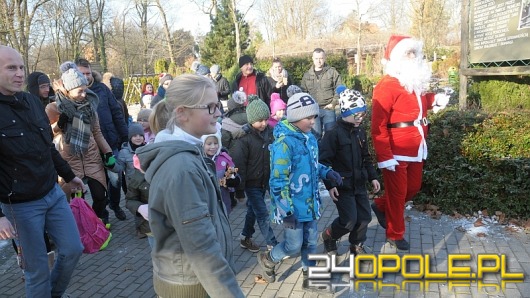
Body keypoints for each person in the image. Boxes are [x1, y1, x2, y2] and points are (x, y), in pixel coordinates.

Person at [135, 74, 244, 297]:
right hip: (192, 285)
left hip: (193, 280)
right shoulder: (182, 167)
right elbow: (201, 246)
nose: (218, 113)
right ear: (182, 113)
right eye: (210, 107)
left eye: (218, 105)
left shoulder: (189, 155)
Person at [0, 45, 84, 298]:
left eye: (21, 67)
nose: (19, 74)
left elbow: (47, 146)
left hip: (52, 193)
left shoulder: (31, 101)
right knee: (36, 271)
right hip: (19, 206)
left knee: (72, 249)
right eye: (11, 68)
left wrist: (69, 176)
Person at [370, 35, 449, 251]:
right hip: (396, 150)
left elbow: (419, 103)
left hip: (417, 147)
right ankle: (394, 234)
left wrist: (434, 100)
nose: (413, 56)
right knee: (397, 194)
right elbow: (377, 126)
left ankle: (379, 205)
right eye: (407, 53)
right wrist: (384, 157)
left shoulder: (414, 81)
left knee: (413, 188)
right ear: (396, 58)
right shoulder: (386, 85)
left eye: (414, 52)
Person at [257, 92, 342, 291]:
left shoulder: (310, 139)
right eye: (309, 118)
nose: (313, 122)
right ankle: (269, 259)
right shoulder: (284, 144)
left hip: (310, 204)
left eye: (314, 117)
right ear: (295, 117)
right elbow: (278, 180)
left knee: (311, 242)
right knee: (293, 246)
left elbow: (313, 165)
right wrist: (286, 210)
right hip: (292, 209)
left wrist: (327, 172)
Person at [46, 61, 116, 226]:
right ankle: (81, 226)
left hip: (91, 156)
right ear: (68, 90)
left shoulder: (90, 106)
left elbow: (96, 132)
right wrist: (59, 124)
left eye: (86, 90)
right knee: (75, 198)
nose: (85, 95)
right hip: (69, 159)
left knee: (100, 195)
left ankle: (97, 220)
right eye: (80, 91)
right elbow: (47, 134)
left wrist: (108, 152)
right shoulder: (54, 107)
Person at [319, 86, 381, 257]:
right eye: (357, 114)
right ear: (346, 112)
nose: (361, 118)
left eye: (363, 114)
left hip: (359, 183)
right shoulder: (333, 133)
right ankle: (329, 236)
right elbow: (324, 162)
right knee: (348, 220)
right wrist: (331, 185)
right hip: (342, 185)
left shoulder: (360, 131)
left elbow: (366, 157)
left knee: (364, 217)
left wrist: (373, 177)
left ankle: (356, 245)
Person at [75, 58, 128, 221]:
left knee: (115, 178)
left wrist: (125, 135)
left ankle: (115, 204)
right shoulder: (74, 94)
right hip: (90, 149)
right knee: (98, 183)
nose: (86, 76)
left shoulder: (103, 89)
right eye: (81, 73)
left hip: (110, 142)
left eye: (88, 73)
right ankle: (101, 213)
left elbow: (116, 112)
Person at [231, 96, 278, 252]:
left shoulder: (270, 133)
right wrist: (239, 190)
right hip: (251, 183)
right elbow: (239, 166)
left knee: (253, 210)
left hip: (265, 180)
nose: (264, 123)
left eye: (266, 119)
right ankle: (273, 244)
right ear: (251, 121)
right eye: (260, 121)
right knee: (262, 213)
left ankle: (245, 237)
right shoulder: (243, 138)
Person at [301, 48, 342, 139]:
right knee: (315, 137)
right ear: (312, 58)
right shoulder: (307, 75)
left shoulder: (332, 72)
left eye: (321, 58)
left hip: (328, 109)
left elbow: (339, 88)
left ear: (325, 58)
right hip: (313, 111)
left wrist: (333, 103)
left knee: (331, 136)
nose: (319, 61)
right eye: (316, 58)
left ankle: (330, 153)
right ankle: (318, 153)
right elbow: (304, 92)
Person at [201, 131, 240, 215]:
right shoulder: (199, 160)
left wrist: (234, 179)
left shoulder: (224, 158)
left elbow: (233, 173)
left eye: (215, 143)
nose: (213, 147)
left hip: (223, 198)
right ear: (202, 144)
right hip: (206, 199)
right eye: (209, 144)